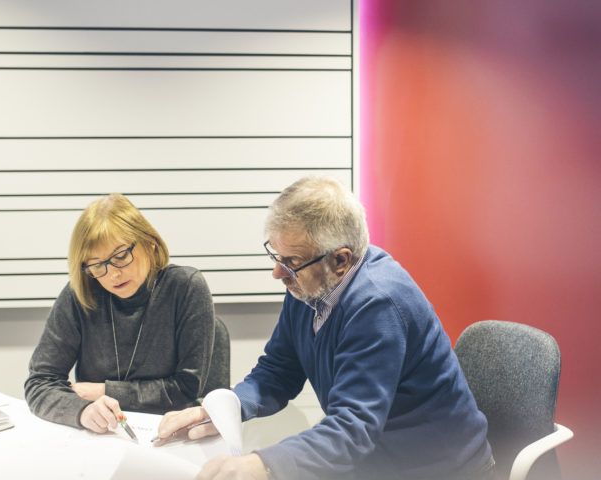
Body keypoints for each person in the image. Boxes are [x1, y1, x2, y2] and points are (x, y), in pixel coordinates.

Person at [156, 177, 495, 480]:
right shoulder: (309, 285)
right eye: (276, 255)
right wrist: (225, 408)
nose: (277, 272)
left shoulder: (378, 305)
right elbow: (278, 370)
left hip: (436, 470)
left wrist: (264, 465)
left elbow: (352, 428)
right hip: (375, 459)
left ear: (340, 259)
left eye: (290, 261)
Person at [25, 193, 215, 435]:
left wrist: (103, 391)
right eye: (96, 265)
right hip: (105, 435)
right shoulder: (80, 294)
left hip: (171, 431)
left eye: (121, 256)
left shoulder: (185, 287)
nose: (112, 274)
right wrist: (82, 411)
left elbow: (185, 389)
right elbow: (40, 383)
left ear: (149, 243)